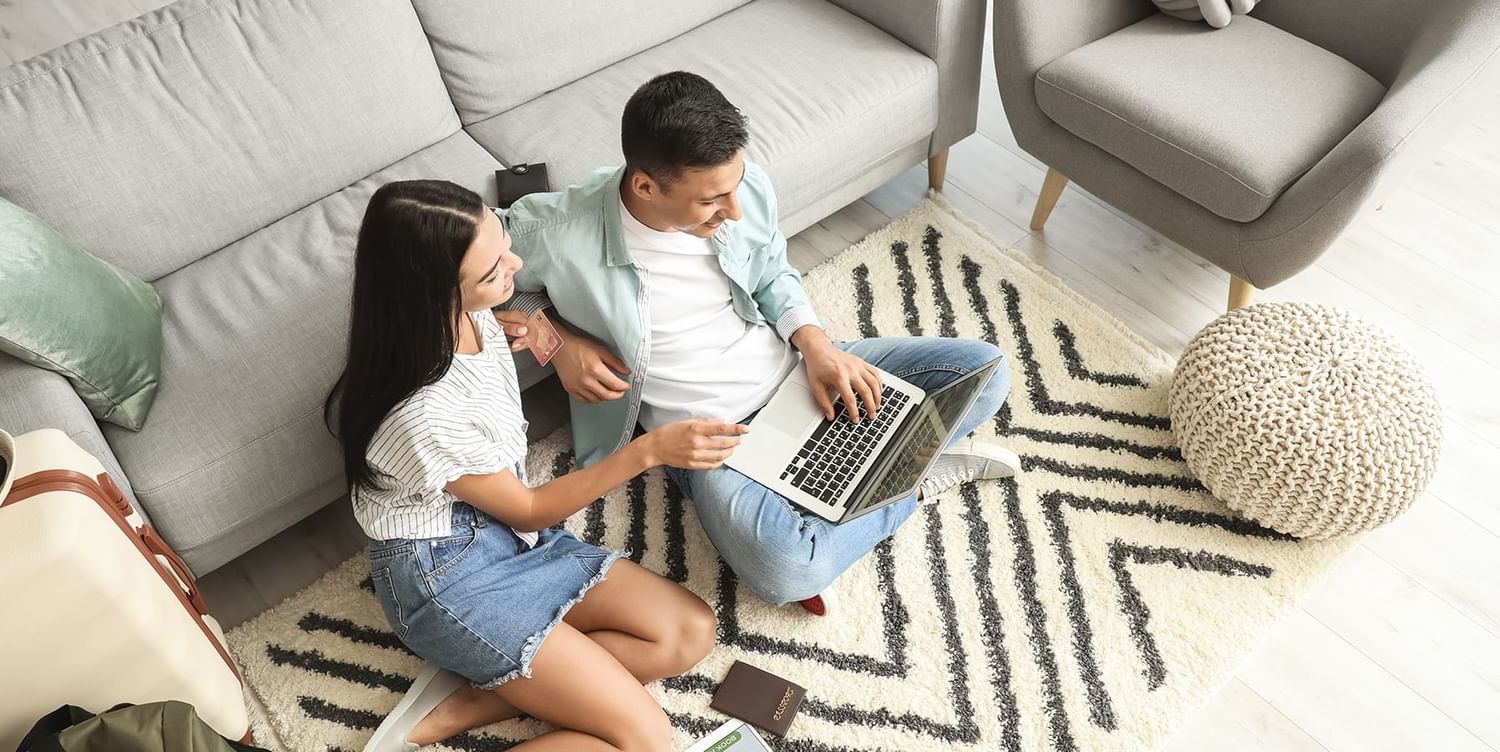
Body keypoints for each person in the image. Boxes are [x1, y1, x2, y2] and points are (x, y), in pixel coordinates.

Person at [497, 72, 1019, 617]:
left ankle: (859, 492)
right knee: (785, 569)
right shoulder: (557, 230)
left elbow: (771, 273)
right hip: (713, 441)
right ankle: (909, 481)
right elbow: (466, 278)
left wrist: (817, 346)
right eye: (712, 200)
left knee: (986, 373)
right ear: (647, 186)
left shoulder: (743, 186)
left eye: (736, 186)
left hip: (797, 374)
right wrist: (556, 344)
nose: (736, 209)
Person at [325, 180, 735, 751]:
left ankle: (478, 697)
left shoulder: (470, 311)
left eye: (504, 246)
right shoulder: (423, 413)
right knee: (646, 743)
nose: (515, 267)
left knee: (689, 632)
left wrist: (554, 341)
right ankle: (502, 674)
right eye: (494, 270)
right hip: (450, 574)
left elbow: (517, 316)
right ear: (434, 290)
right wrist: (649, 450)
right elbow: (533, 508)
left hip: (506, 535)